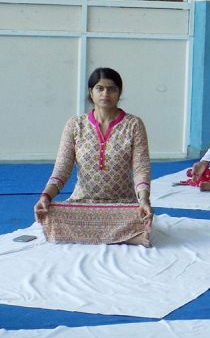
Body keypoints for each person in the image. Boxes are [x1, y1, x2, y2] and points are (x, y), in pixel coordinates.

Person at [33, 67, 153, 226]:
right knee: (52, 218)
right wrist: (45, 197)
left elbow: (140, 167)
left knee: (141, 222)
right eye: (100, 88)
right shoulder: (75, 125)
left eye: (111, 89)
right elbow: (62, 168)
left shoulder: (133, 125)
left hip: (123, 206)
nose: (105, 94)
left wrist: (144, 200)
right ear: (91, 92)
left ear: (119, 93)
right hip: (82, 203)